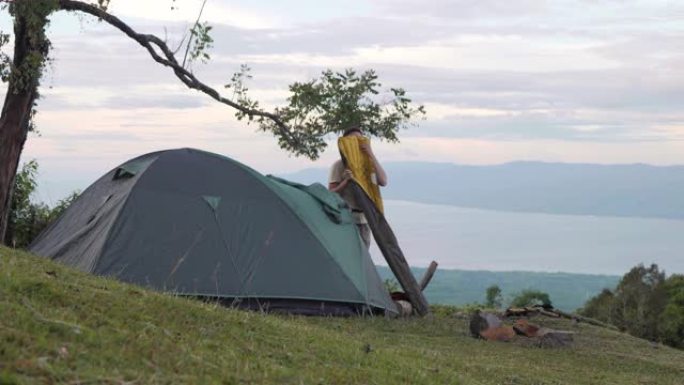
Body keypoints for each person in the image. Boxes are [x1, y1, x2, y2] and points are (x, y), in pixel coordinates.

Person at [328, 126, 388, 249]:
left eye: (360, 140)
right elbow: (331, 192)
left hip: (365, 221)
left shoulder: (369, 165)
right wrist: (346, 182)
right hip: (347, 220)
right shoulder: (339, 166)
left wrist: (370, 154)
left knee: (363, 258)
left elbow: (383, 181)